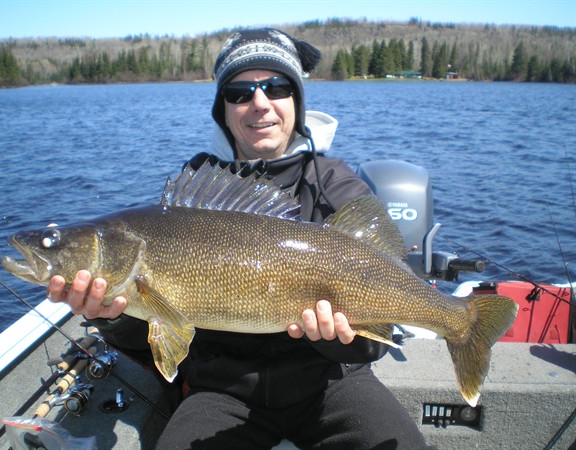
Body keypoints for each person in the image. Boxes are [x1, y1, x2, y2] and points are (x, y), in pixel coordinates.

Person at [48, 28, 432, 449]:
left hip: (330, 383)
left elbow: (373, 347)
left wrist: (343, 339)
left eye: (277, 87)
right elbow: (155, 340)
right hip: (223, 389)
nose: (260, 103)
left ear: (296, 100)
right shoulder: (192, 196)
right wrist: (109, 314)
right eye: (240, 92)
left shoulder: (339, 188)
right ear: (224, 109)